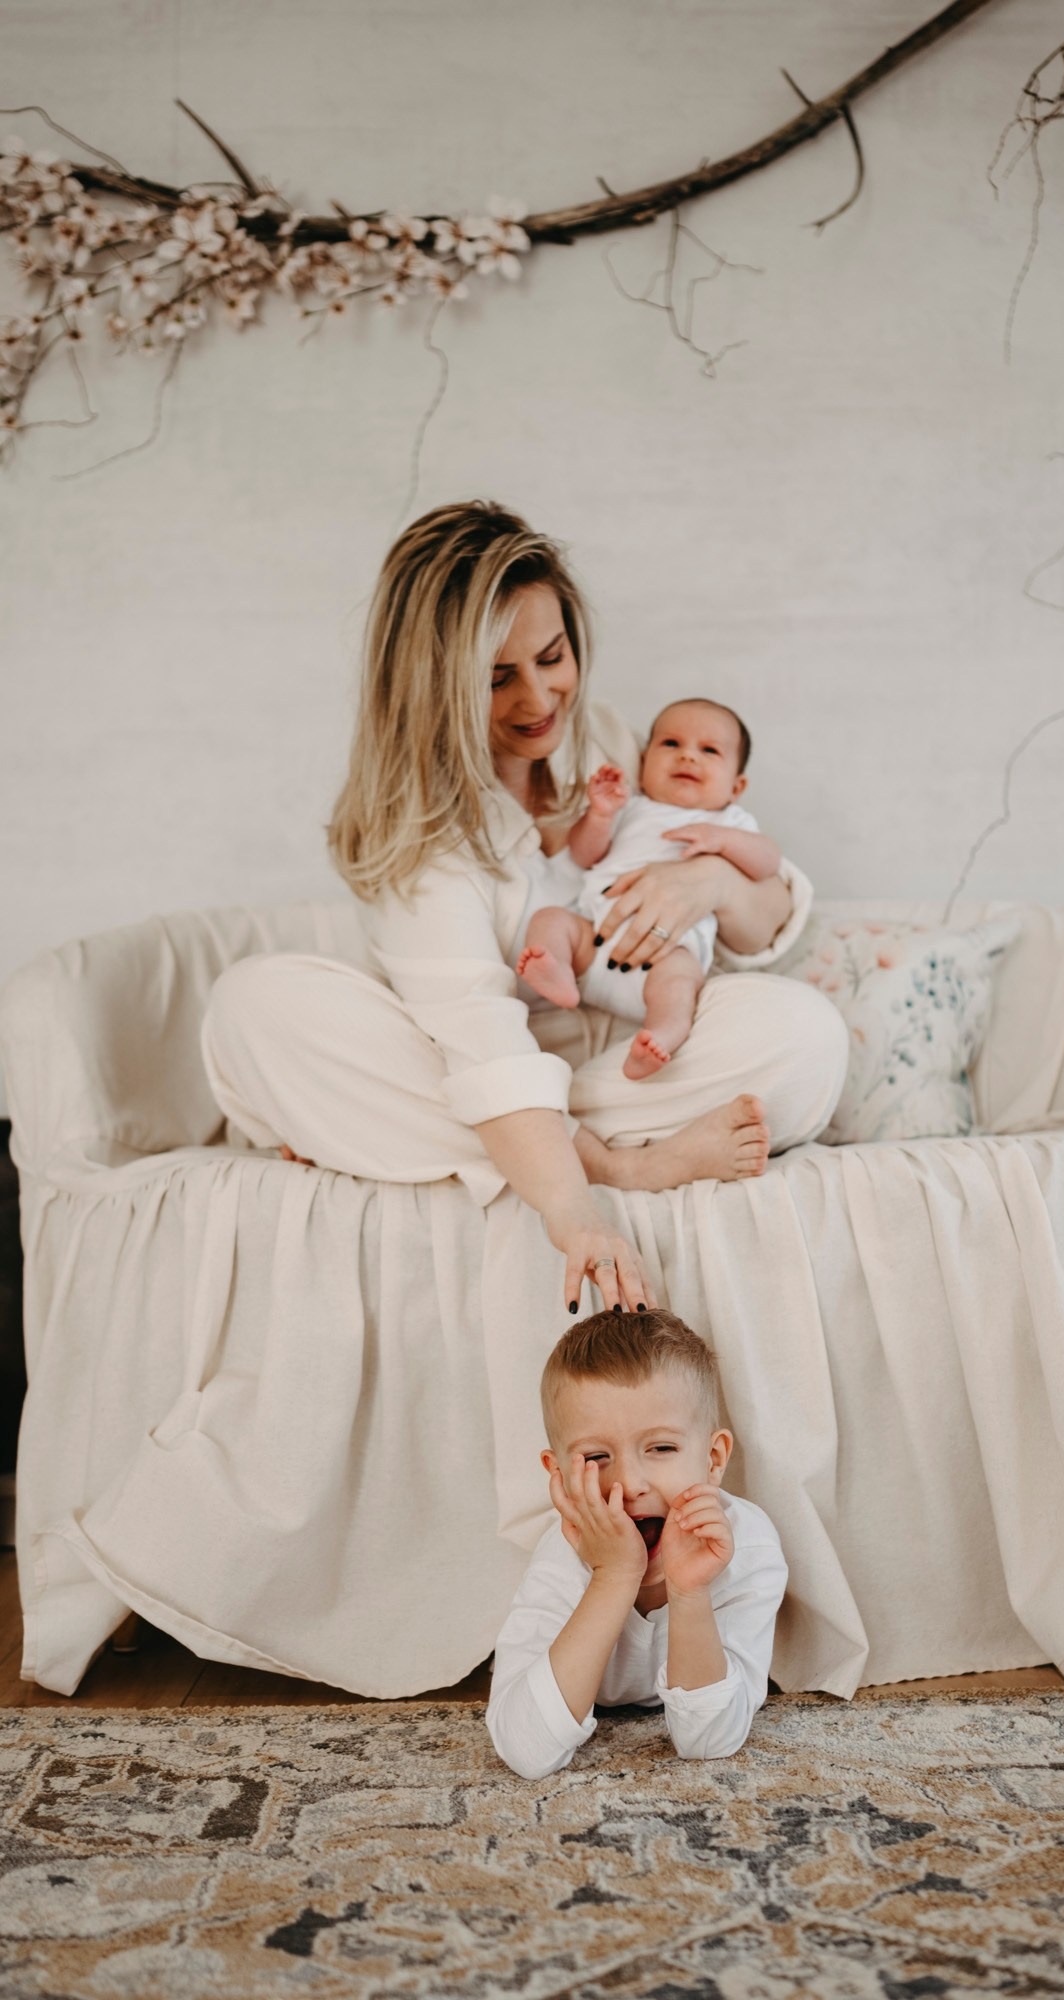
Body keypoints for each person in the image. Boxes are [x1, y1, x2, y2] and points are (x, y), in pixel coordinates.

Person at [201, 501, 847, 1315]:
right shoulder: (421, 835)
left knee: (803, 1035)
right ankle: (615, 1161)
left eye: (552, 657)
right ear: (435, 687)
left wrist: (711, 883)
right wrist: (579, 1207)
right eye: (496, 678)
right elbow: (481, 1041)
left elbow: (768, 921)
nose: (540, 698)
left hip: (623, 1063)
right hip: (471, 1065)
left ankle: (458, 1141)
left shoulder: (608, 742)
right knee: (254, 1007)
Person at [486, 1308, 786, 1779]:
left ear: (713, 1459)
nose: (629, 1484)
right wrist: (613, 1577)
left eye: (661, 1448)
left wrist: (689, 1594)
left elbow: (710, 1742)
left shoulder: (747, 1548)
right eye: (596, 1457)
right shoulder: (561, 1555)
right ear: (559, 1476)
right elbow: (524, 1749)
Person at [517, 698, 781, 1080]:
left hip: (666, 954)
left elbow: (768, 862)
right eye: (671, 743)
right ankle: (556, 971)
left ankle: (660, 1034)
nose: (688, 756)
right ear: (643, 764)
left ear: (736, 786)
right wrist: (600, 816)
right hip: (592, 943)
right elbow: (584, 856)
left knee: (680, 982)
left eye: (709, 750)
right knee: (551, 920)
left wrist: (723, 840)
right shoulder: (631, 809)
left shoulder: (730, 821)